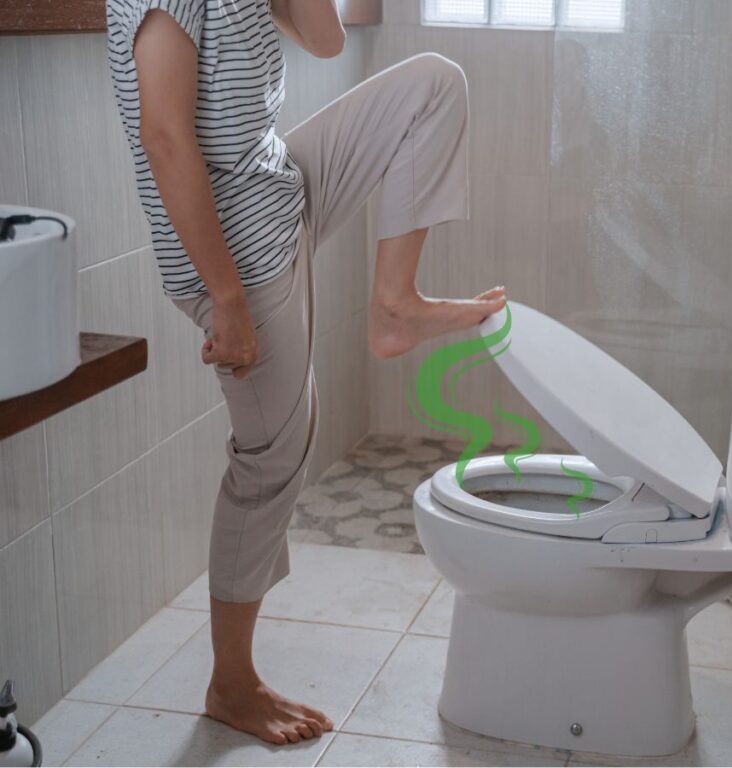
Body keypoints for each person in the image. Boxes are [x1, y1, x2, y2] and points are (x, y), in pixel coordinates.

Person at [105, 0, 505, 745]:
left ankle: (394, 304)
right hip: (236, 254)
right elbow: (163, 136)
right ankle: (232, 684)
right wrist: (227, 298)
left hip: (279, 187)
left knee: (432, 83)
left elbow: (325, 40)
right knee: (273, 458)